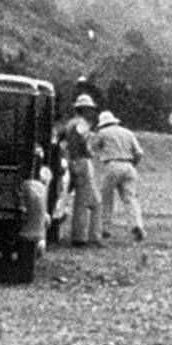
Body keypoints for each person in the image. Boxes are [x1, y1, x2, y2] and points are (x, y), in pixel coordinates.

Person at [91, 110, 145, 242]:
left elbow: (92, 148)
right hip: (128, 165)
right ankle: (137, 225)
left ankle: (106, 228)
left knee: (106, 198)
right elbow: (139, 153)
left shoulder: (102, 133)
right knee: (130, 199)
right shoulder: (127, 132)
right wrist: (132, 164)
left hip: (111, 164)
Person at [62, 93, 103, 247]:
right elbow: (86, 145)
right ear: (84, 109)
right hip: (82, 161)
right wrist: (91, 150)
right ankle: (82, 237)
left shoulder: (69, 124)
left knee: (91, 200)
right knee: (84, 201)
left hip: (71, 160)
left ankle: (90, 236)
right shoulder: (82, 124)